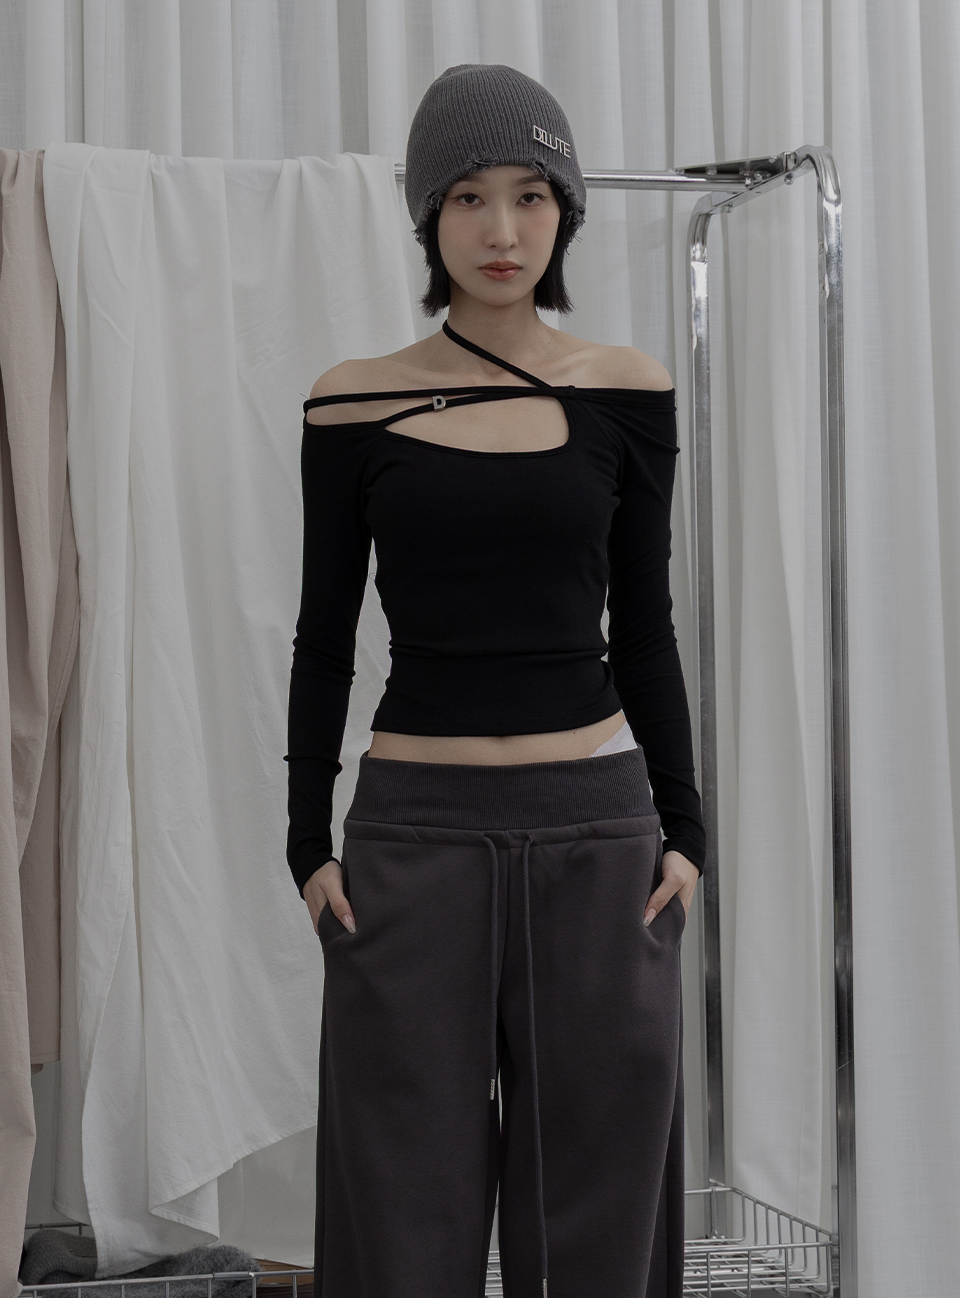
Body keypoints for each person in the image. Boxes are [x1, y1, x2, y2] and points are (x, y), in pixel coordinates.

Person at [285, 63, 706, 1298]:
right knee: (399, 1211)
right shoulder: (352, 400)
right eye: (468, 196)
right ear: (428, 216)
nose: (502, 229)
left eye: (530, 194)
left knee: (596, 1214)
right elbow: (322, 633)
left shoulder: (625, 390)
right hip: (412, 836)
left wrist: (684, 831)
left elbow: (644, 628)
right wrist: (305, 843)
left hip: (598, 833)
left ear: (565, 209)